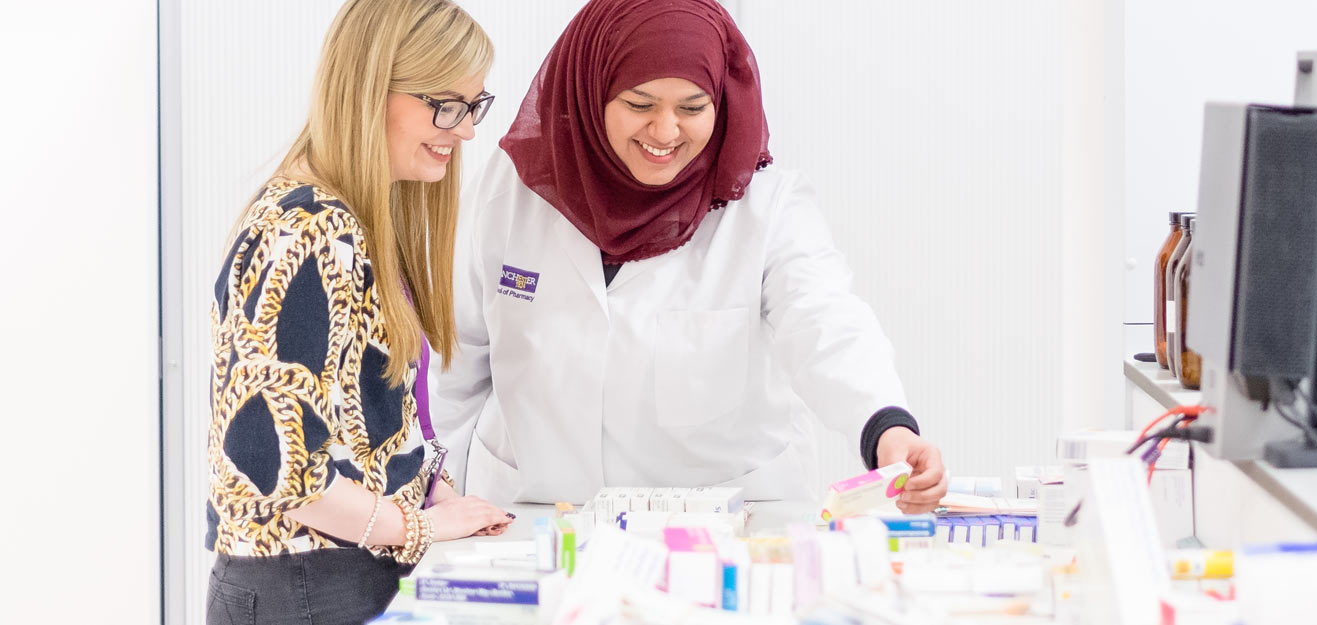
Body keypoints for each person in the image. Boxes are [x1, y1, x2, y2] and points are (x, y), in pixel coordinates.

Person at [435, 0, 947, 513]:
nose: (664, 132)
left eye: (692, 107)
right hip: (529, 518)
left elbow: (824, 320)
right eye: (639, 104)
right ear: (592, 90)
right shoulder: (513, 190)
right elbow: (454, 367)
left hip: (726, 527)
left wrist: (886, 426)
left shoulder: (764, 209)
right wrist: (434, 504)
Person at [205, 1, 508, 621]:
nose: (467, 130)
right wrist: (423, 527)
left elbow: (364, 422)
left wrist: (435, 494)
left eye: (474, 106)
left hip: (339, 573)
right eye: (445, 106)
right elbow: (283, 473)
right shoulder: (307, 232)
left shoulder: (352, 222)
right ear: (373, 89)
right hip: (305, 583)